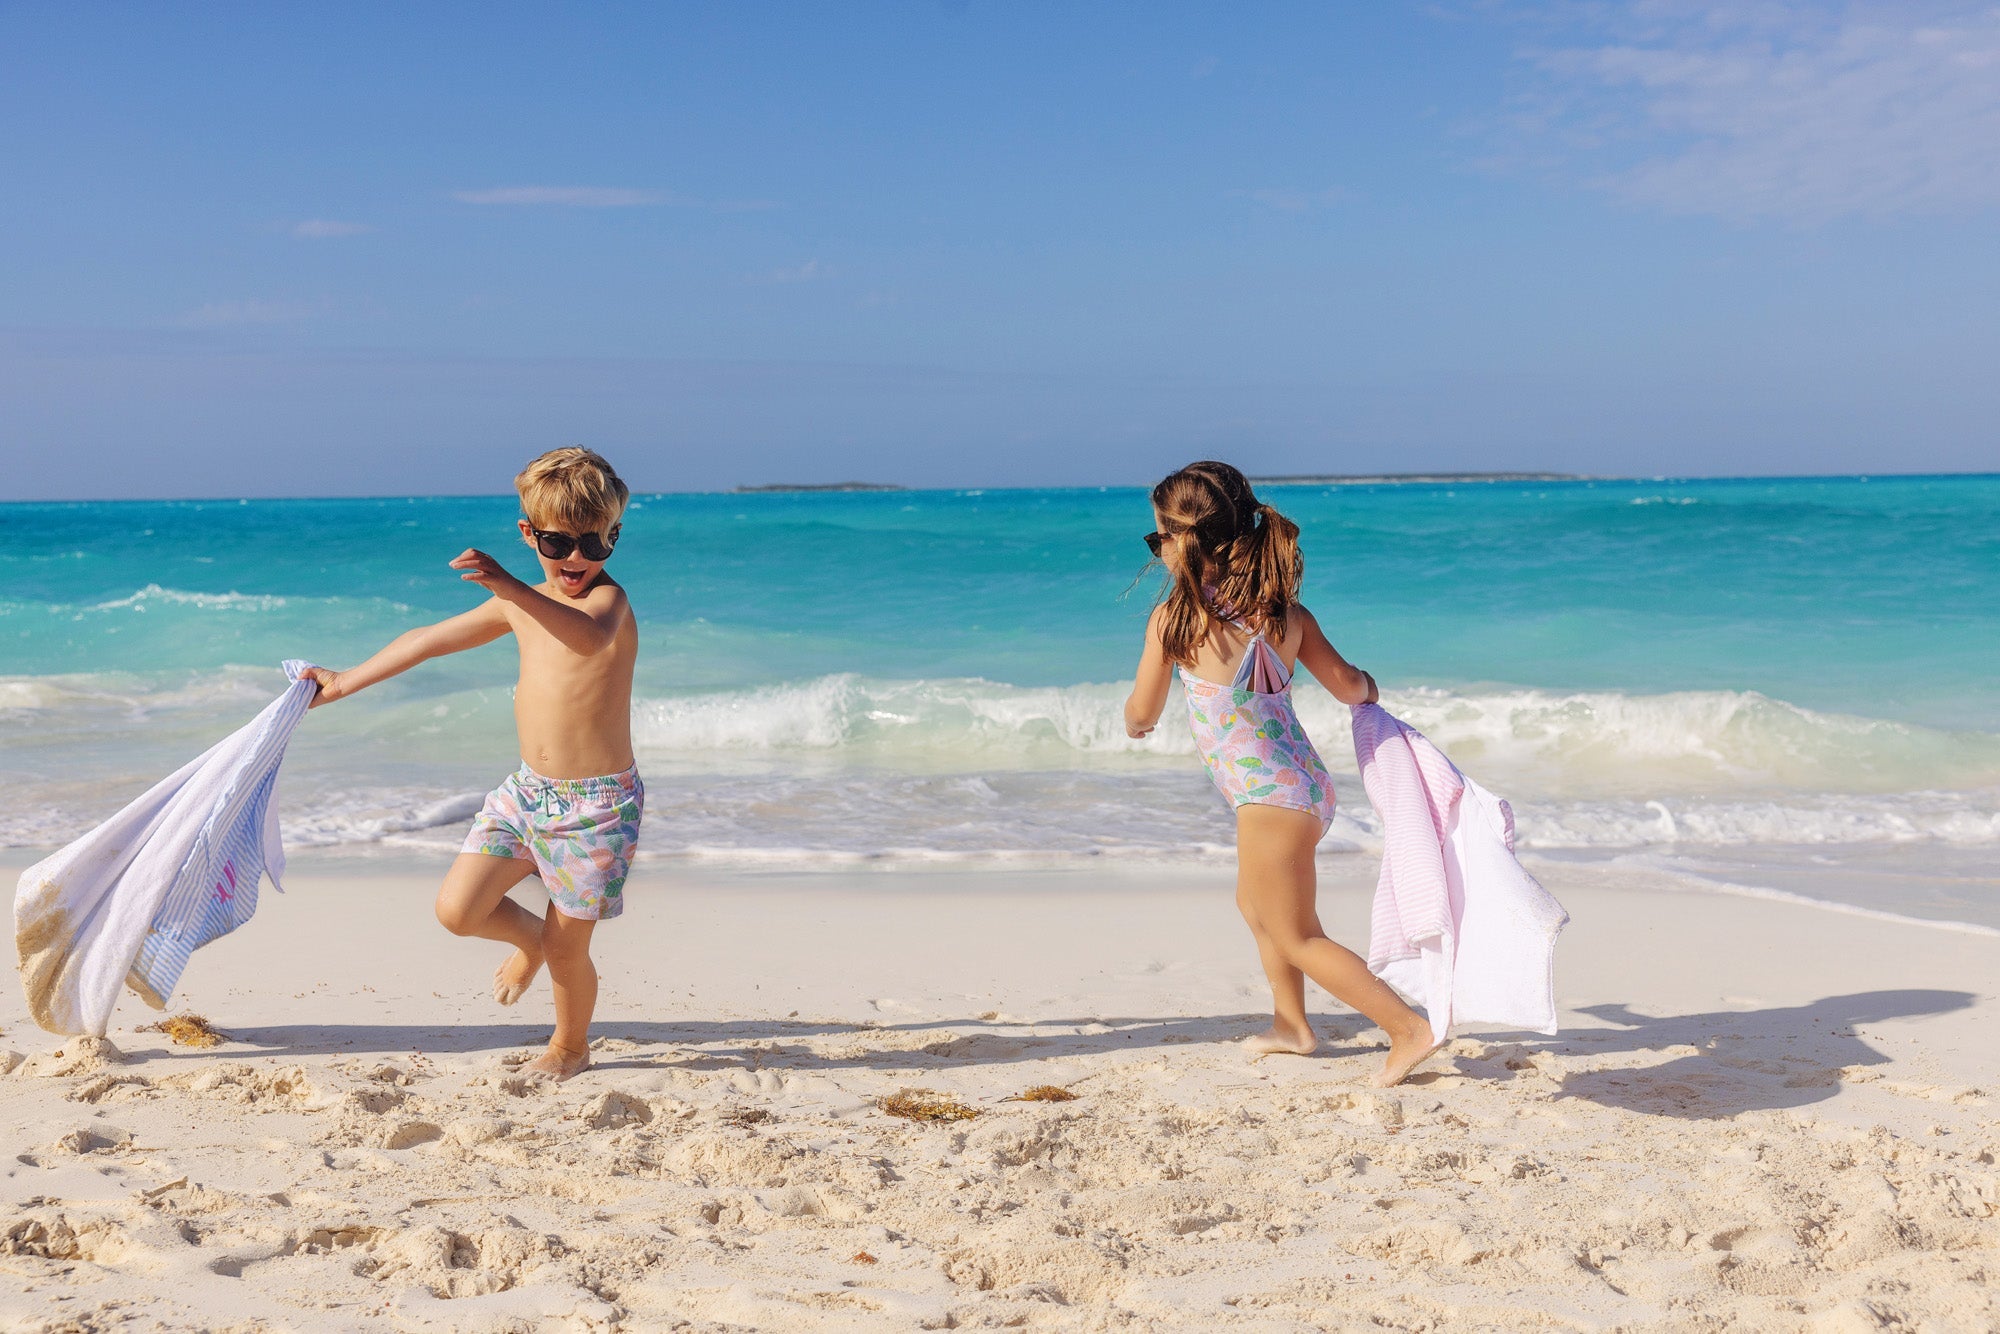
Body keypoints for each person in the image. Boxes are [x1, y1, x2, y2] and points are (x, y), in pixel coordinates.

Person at [303, 447, 641, 1082]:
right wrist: (343, 683)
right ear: (528, 534)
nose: (576, 559)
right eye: (557, 542)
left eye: (594, 544)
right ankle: (528, 944)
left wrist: (511, 585)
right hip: (528, 794)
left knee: (571, 948)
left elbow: (587, 638)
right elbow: (429, 640)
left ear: (614, 537)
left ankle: (570, 1046)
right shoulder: (523, 603)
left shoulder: (606, 604)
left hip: (596, 808)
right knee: (459, 912)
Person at [1123, 461, 1440, 1088]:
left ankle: (1408, 1028)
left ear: (1184, 541)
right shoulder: (1287, 614)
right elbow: (1350, 687)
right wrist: (1374, 687)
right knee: (1257, 907)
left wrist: (1135, 725)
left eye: (1158, 537)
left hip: (1268, 801)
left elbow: (1143, 709)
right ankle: (1291, 1025)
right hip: (1304, 789)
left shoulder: (1176, 622)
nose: (1156, 549)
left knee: (1297, 934)